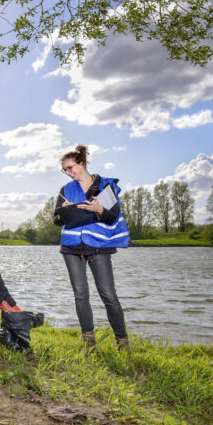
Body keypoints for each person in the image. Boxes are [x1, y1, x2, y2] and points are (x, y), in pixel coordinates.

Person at [53, 144, 130, 352]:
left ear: (82, 163)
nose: (68, 173)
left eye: (70, 168)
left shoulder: (105, 186)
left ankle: (122, 342)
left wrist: (99, 209)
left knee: (108, 295)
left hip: (98, 247)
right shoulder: (65, 190)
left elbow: (112, 216)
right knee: (80, 294)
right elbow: (56, 220)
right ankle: (89, 343)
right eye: (64, 170)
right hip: (71, 247)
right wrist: (64, 212)